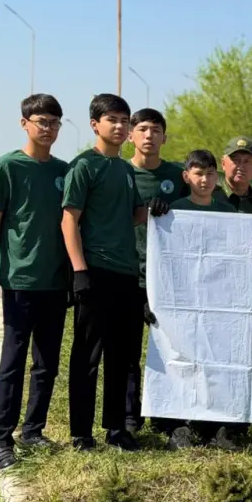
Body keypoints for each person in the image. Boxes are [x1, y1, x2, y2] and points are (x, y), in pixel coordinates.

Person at [61, 93, 163, 451]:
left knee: (122, 355)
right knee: (88, 355)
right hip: (95, 271)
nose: (120, 127)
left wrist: (152, 208)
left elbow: (132, 215)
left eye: (124, 121)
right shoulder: (83, 166)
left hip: (126, 274)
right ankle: (81, 433)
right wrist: (79, 272)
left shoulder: (124, 169)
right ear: (95, 124)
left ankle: (117, 428)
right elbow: (69, 220)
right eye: (112, 120)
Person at [0, 94, 70, 470]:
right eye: (40, 121)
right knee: (13, 363)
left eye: (53, 122)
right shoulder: (8, 166)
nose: (47, 128)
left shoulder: (64, 171)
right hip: (19, 279)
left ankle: (33, 429)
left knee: (47, 363)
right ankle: (3, 439)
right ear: (24, 124)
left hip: (56, 280)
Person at [126, 108, 188, 435]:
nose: (149, 136)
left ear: (165, 136)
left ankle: (168, 417)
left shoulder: (179, 176)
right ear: (131, 135)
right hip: (128, 273)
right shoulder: (120, 173)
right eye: (143, 129)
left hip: (169, 280)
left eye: (156, 130)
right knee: (127, 351)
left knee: (168, 349)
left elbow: (206, 202)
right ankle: (130, 418)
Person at [213, 136, 252, 216]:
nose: (241, 167)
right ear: (223, 164)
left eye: (247, 161)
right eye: (236, 160)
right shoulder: (210, 197)